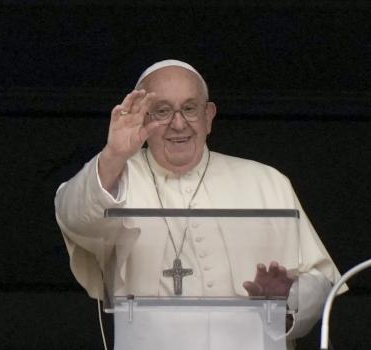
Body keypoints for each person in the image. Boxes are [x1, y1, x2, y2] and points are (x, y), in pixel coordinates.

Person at [54, 59, 346, 347]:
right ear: (142, 118)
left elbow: (321, 278)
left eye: (190, 108)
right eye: (162, 111)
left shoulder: (266, 181)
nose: (178, 124)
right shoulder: (115, 176)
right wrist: (114, 154)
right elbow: (74, 216)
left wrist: (290, 297)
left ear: (209, 116)